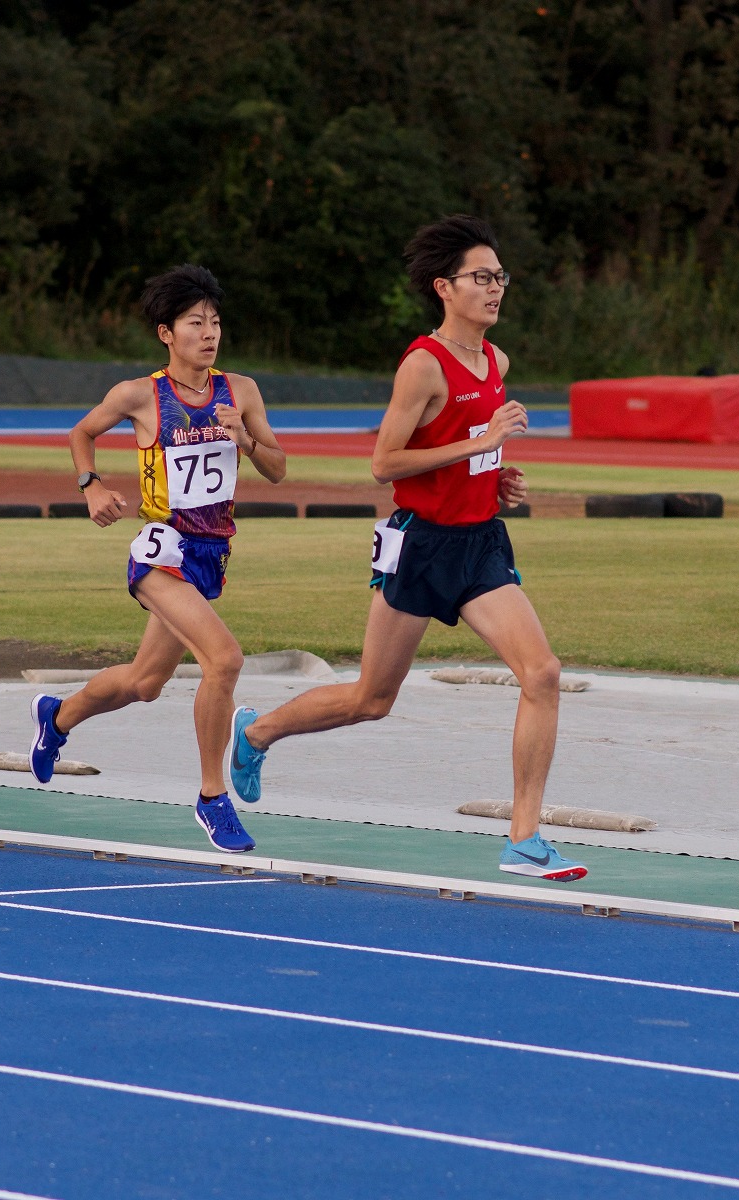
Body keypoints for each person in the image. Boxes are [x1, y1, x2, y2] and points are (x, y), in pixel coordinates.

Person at [225, 216, 587, 881]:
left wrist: (493, 475)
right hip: (419, 545)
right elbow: (385, 463)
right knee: (372, 698)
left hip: (479, 543)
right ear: (445, 287)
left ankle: (525, 840)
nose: (496, 288)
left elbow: (465, 452)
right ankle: (255, 732)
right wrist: (478, 447)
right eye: (482, 277)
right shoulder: (424, 364)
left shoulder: (497, 361)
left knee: (541, 673)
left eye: (501, 276)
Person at [27, 265, 286, 853]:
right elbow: (81, 433)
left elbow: (277, 467)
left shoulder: (240, 391)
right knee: (224, 660)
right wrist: (91, 484)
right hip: (160, 549)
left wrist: (243, 437)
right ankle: (212, 796)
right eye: (196, 323)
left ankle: (57, 717)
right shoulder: (140, 394)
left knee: (144, 683)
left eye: (215, 322)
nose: (209, 332)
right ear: (166, 333)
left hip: (211, 554)